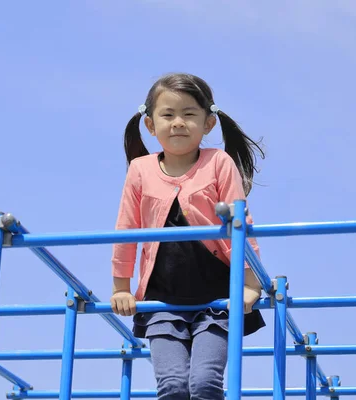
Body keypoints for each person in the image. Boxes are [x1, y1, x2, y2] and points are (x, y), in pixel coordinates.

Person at [110, 72, 266, 400]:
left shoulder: (218, 163)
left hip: (216, 299)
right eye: (168, 115)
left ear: (208, 123)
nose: (178, 123)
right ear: (150, 125)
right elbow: (126, 230)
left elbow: (241, 223)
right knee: (173, 387)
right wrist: (121, 289)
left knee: (205, 384)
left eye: (189, 114)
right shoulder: (140, 170)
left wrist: (251, 285)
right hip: (161, 300)